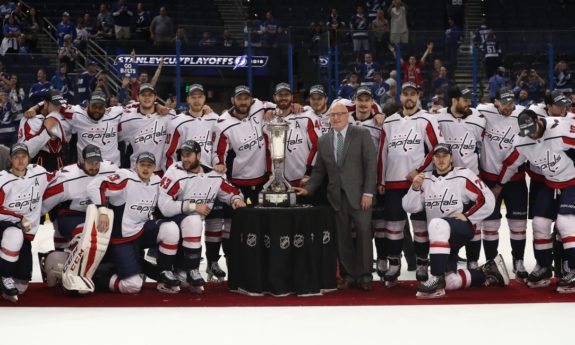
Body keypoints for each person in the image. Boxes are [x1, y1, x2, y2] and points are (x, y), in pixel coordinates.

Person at [402, 143, 506, 298]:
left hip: (460, 229)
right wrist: (415, 188)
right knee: (451, 282)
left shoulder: (463, 174)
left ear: (451, 158)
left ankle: (436, 279)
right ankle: (488, 272)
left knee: (437, 224)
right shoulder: (426, 179)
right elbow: (410, 207)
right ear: (433, 159)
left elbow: (488, 199)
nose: (441, 159)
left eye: (445, 156)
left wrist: (469, 216)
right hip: (441, 240)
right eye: (437, 156)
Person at [294, 102, 377, 291]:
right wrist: (309, 189)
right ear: (328, 118)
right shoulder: (323, 140)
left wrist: (368, 192)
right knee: (342, 237)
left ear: (347, 115)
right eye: (332, 115)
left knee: (364, 234)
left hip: (360, 196)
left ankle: (365, 276)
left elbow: (371, 165)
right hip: (336, 198)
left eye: (340, 114)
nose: (336, 118)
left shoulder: (361, 134)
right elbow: (320, 170)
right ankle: (348, 276)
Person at [496, 110, 575, 292]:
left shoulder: (561, 129)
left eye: (532, 128)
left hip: (572, 181)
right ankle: (544, 266)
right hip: (550, 183)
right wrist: (499, 186)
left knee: (566, 223)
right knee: (539, 224)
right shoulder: (523, 142)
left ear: (538, 119)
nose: (531, 133)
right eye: (527, 131)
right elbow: (510, 164)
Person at [377, 82, 443, 286]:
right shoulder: (389, 122)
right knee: (393, 226)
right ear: (401, 97)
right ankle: (394, 264)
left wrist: (420, 170)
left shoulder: (427, 119)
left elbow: (438, 148)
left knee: (420, 226)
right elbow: (382, 153)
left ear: (418, 95)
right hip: (393, 182)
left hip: (419, 182)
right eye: (405, 94)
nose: (409, 98)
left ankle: (422, 263)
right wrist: (381, 180)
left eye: (412, 94)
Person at [87, 152, 181, 294]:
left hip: (141, 232)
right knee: (132, 286)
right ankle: (95, 276)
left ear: (154, 167)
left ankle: (164, 274)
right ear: (135, 165)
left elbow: (163, 205)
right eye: (142, 165)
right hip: (121, 240)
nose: (145, 169)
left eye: (149, 165)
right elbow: (94, 186)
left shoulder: (157, 181)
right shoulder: (126, 177)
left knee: (171, 228)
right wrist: (103, 211)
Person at [159, 140, 246, 293]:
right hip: (171, 222)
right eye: (182, 155)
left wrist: (236, 200)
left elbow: (232, 191)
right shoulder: (175, 172)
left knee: (187, 284)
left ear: (198, 155)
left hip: (191, 231)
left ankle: (186, 271)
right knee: (193, 220)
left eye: (188, 155)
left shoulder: (213, 175)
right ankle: (188, 270)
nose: (184, 159)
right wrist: (192, 206)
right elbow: (164, 207)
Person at [477, 87, 528, 279]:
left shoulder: (522, 114)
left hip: (515, 179)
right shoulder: (484, 110)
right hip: (489, 179)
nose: (509, 106)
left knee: (518, 224)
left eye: (511, 101)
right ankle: (492, 263)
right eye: (505, 102)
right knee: (490, 224)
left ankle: (518, 260)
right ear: (495, 102)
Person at [435, 86, 486, 265]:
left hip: (471, 180)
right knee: (450, 221)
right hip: (448, 181)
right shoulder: (438, 117)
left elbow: (482, 146)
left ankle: (473, 262)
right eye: (465, 100)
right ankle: (451, 259)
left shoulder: (478, 119)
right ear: (454, 100)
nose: (469, 103)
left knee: (474, 223)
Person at [0, 143, 51, 302]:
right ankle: (5, 276)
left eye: (23, 156)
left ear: (29, 158)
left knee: (21, 284)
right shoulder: (3, 180)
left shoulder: (39, 173)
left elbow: (60, 178)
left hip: (24, 232)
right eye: (16, 157)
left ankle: (6, 276)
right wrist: (19, 217)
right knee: (14, 234)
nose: (20, 160)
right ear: (10, 159)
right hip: (3, 225)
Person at [211, 85, 275, 204]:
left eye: (246, 99)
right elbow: (218, 152)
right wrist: (219, 163)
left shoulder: (258, 105)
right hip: (238, 181)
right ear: (232, 100)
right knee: (238, 218)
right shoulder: (222, 123)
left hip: (263, 179)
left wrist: (270, 110)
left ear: (251, 100)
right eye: (239, 99)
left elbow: (273, 105)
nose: (243, 102)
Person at [119, 83, 175, 174]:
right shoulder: (128, 118)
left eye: (150, 95)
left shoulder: (167, 116)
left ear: (155, 97)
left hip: (160, 172)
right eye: (143, 95)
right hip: (136, 172)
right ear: (138, 97)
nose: (147, 98)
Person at [270, 83, 319, 187]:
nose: (283, 98)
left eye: (286, 95)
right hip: (276, 182)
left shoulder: (306, 116)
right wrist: (268, 110)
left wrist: (309, 172)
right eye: (280, 95)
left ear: (292, 97)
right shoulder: (268, 120)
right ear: (274, 98)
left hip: (303, 180)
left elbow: (316, 146)